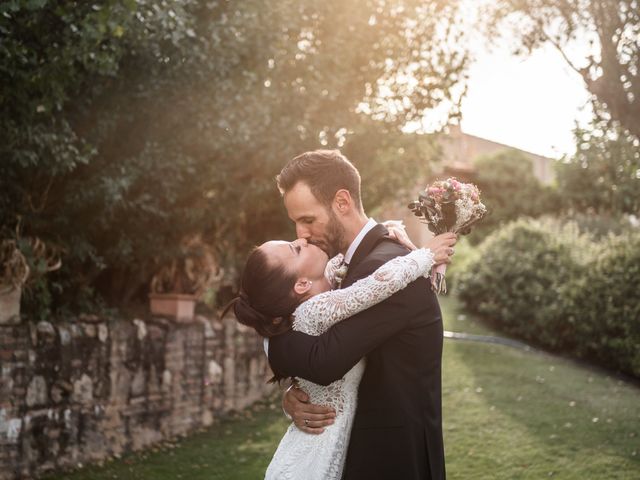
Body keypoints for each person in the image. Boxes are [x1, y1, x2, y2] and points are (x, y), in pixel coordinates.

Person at [266, 149, 455, 479]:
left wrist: (270, 343)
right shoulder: (355, 263)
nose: (301, 234)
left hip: (392, 459)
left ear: (342, 202)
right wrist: (294, 396)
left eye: (308, 220)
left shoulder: (384, 268)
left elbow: (325, 361)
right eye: (295, 222)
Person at [230, 231, 453, 479]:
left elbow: (341, 260)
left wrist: (386, 230)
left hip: (333, 440)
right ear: (301, 284)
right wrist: (426, 255)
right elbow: (373, 287)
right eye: (296, 249)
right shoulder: (312, 310)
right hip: (316, 453)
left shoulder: (320, 289)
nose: (302, 239)